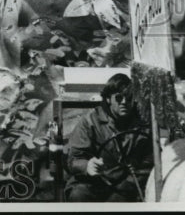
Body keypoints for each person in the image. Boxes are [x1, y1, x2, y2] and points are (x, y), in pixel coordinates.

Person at [64, 73, 153, 202]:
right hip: (93, 182)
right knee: (78, 195)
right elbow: (74, 159)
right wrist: (87, 166)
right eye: (118, 98)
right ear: (108, 99)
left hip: (127, 184)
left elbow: (150, 162)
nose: (124, 102)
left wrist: (128, 183)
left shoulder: (142, 124)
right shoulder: (90, 122)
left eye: (129, 98)